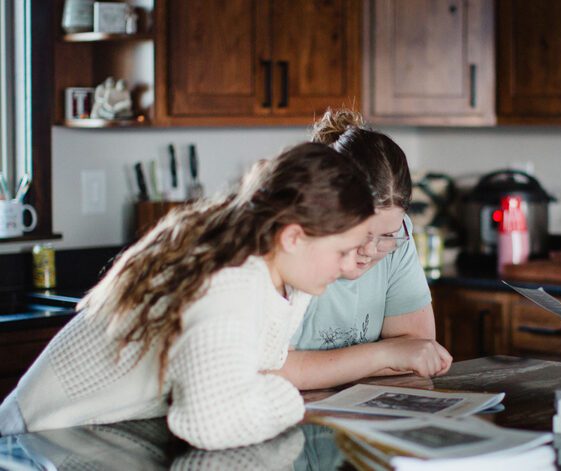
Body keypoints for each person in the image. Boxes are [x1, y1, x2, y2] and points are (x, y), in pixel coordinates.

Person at [0, 143, 375, 449]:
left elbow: (251, 375)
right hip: (35, 437)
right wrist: (288, 399)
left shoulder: (286, 281)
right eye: (342, 251)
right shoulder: (229, 282)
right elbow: (211, 424)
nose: (348, 266)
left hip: (93, 434)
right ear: (294, 238)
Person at [275, 110, 453, 390]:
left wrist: (319, 368)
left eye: (387, 235)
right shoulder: (290, 246)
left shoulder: (399, 238)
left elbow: (418, 348)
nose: (369, 250)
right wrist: (384, 354)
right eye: (360, 234)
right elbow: (273, 370)